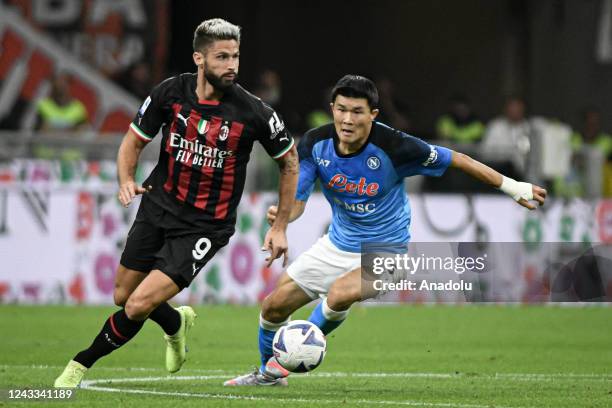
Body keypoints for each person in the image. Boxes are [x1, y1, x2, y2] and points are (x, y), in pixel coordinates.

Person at [224, 75, 546, 386]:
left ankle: (295, 350)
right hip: (336, 246)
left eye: (357, 111)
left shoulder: (395, 146)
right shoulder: (314, 143)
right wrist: (282, 221)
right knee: (272, 307)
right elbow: (298, 201)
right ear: (332, 108)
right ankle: (269, 375)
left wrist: (512, 186)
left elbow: (457, 158)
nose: (347, 119)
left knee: (339, 294)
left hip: (387, 253)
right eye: (341, 109)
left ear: (373, 114)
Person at [54, 18, 298, 388]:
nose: (231, 65)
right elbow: (133, 142)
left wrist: (279, 226)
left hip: (205, 225)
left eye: (235, 56)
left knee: (137, 306)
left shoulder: (254, 112)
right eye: (222, 57)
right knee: (123, 295)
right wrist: (125, 180)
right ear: (199, 58)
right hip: (157, 205)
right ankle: (175, 322)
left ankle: (79, 364)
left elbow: (289, 162)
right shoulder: (171, 92)